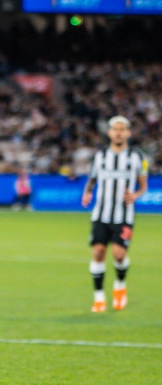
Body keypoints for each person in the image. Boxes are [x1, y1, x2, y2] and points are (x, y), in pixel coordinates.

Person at [81, 115, 148, 312]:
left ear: (128, 132)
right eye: (115, 129)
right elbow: (92, 178)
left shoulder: (137, 157)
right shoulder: (100, 155)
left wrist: (135, 194)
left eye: (122, 129)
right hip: (101, 214)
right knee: (98, 251)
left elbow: (143, 186)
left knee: (119, 255)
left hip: (124, 215)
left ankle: (120, 285)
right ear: (109, 132)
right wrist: (87, 192)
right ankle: (99, 297)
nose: (118, 132)